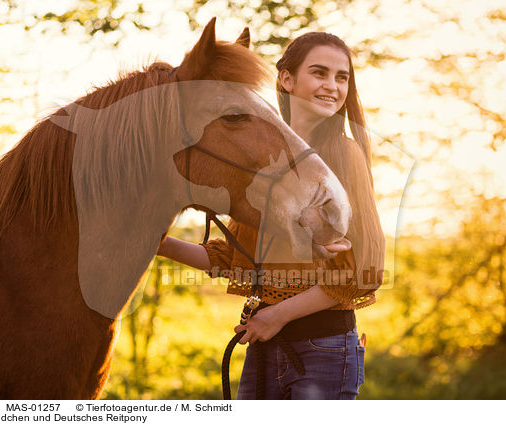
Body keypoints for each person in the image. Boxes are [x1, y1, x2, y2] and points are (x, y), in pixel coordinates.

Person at [157, 32, 385, 399]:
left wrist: (278, 315)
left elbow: (364, 269)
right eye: (320, 73)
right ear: (287, 79)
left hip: (323, 348)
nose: (332, 86)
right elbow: (235, 259)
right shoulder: (263, 157)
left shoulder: (343, 155)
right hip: (265, 346)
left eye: (341, 77)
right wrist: (159, 244)